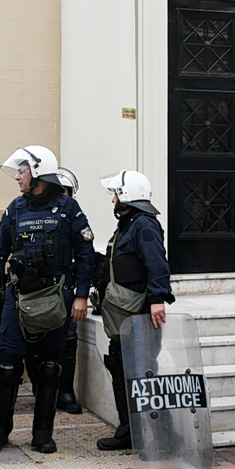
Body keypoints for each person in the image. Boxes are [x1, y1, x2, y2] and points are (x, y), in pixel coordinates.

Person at [0, 147, 95, 454]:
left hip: (55, 298)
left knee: (50, 367)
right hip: (18, 298)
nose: (18, 177)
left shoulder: (69, 209)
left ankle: (42, 434)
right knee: (7, 364)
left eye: (21, 171)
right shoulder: (15, 209)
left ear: (37, 173)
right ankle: (0, 429)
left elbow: (86, 255)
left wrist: (81, 296)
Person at [94, 170, 173, 451]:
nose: (112, 199)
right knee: (121, 368)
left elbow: (157, 263)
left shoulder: (144, 225)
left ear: (125, 197)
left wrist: (157, 299)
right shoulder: (127, 226)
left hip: (140, 316)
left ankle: (158, 434)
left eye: (115, 194)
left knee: (143, 373)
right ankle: (129, 431)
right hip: (124, 318)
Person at [54, 166, 83, 414]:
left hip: (68, 291)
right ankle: (46, 392)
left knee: (69, 340)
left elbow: (84, 256)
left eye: (66, 192)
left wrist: (82, 295)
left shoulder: (75, 216)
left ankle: (66, 392)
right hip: (41, 292)